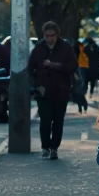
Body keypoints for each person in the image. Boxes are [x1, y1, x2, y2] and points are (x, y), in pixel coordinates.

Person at [27, 22, 78, 160]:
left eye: (52, 35)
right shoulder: (39, 48)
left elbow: (72, 66)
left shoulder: (65, 48)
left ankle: (54, 148)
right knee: (45, 120)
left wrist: (54, 65)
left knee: (58, 120)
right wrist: (35, 84)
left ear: (57, 35)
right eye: (47, 35)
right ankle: (45, 146)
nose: (49, 38)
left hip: (61, 90)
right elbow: (31, 67)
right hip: (43, 90)